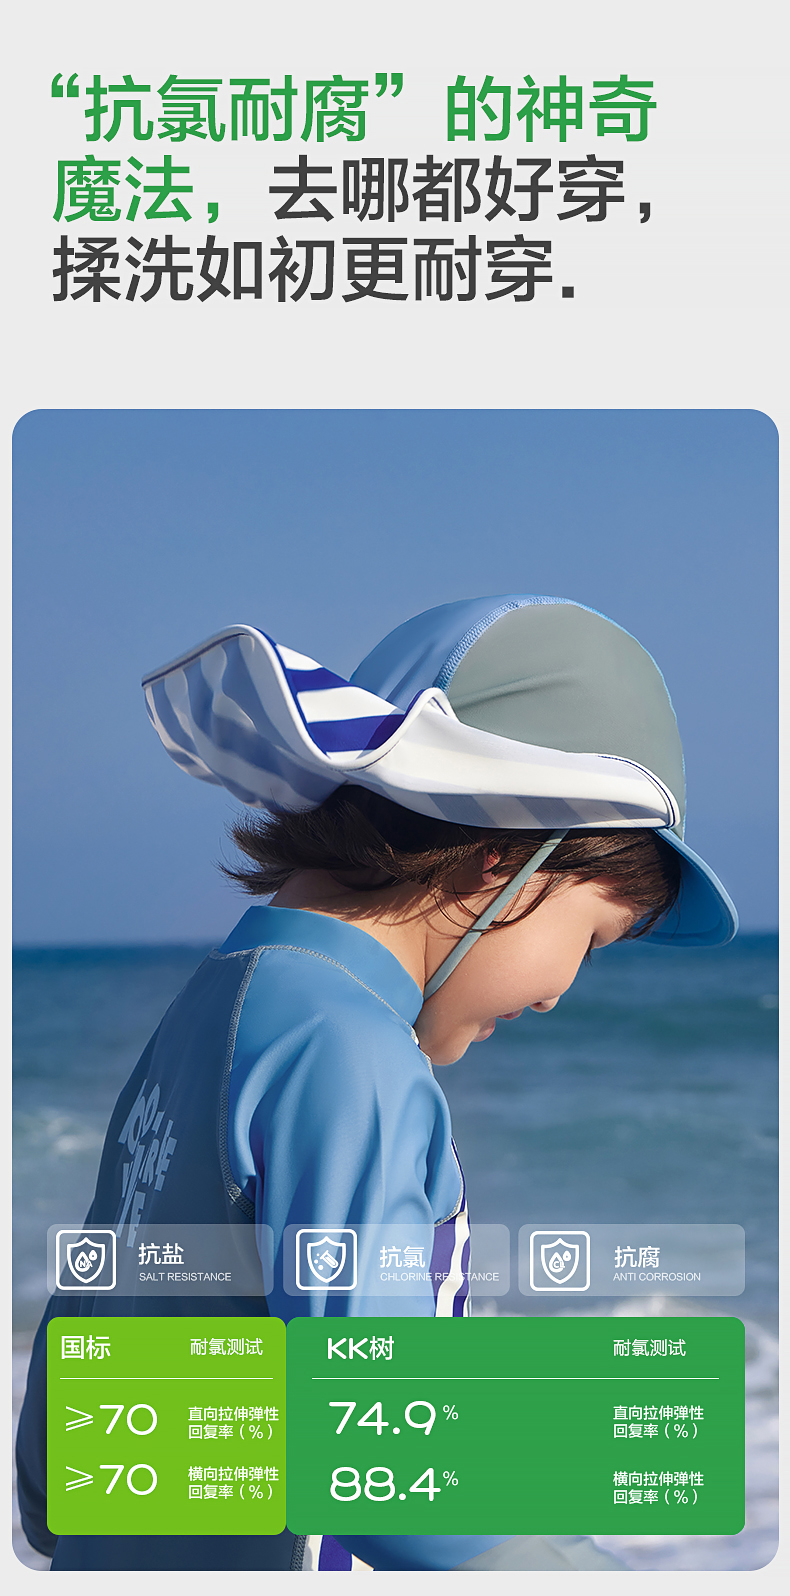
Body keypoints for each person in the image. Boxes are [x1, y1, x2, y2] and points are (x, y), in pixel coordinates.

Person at [17, 594, 737, 1572]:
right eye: (593, 939)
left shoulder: (202, 1017)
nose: (559, 994)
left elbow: (54, 1460)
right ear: (501, 858)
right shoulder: (351, 1053)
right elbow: (388, 1470)